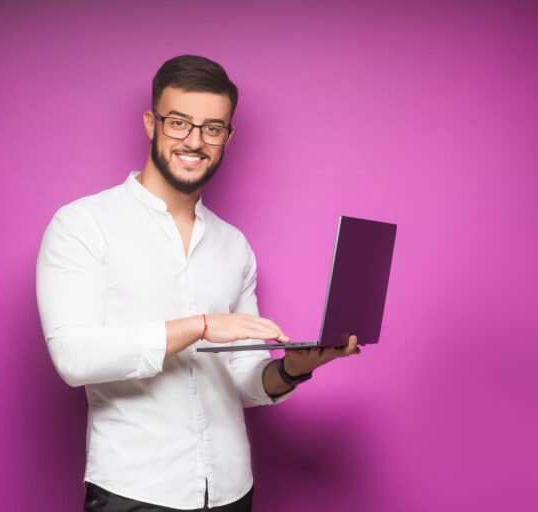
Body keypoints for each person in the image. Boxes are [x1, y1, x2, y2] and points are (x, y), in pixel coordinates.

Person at [36, 55, 360, 512]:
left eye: (212, 128)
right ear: (151, 123)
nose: (194, 141)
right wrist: (200, 325)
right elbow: (74, 357)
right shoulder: (83, 225)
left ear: (227, 136)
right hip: (136, 490)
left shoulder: (235, 246)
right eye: (179, 123)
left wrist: (293, 367)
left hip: (231, 488)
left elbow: (243, 382)